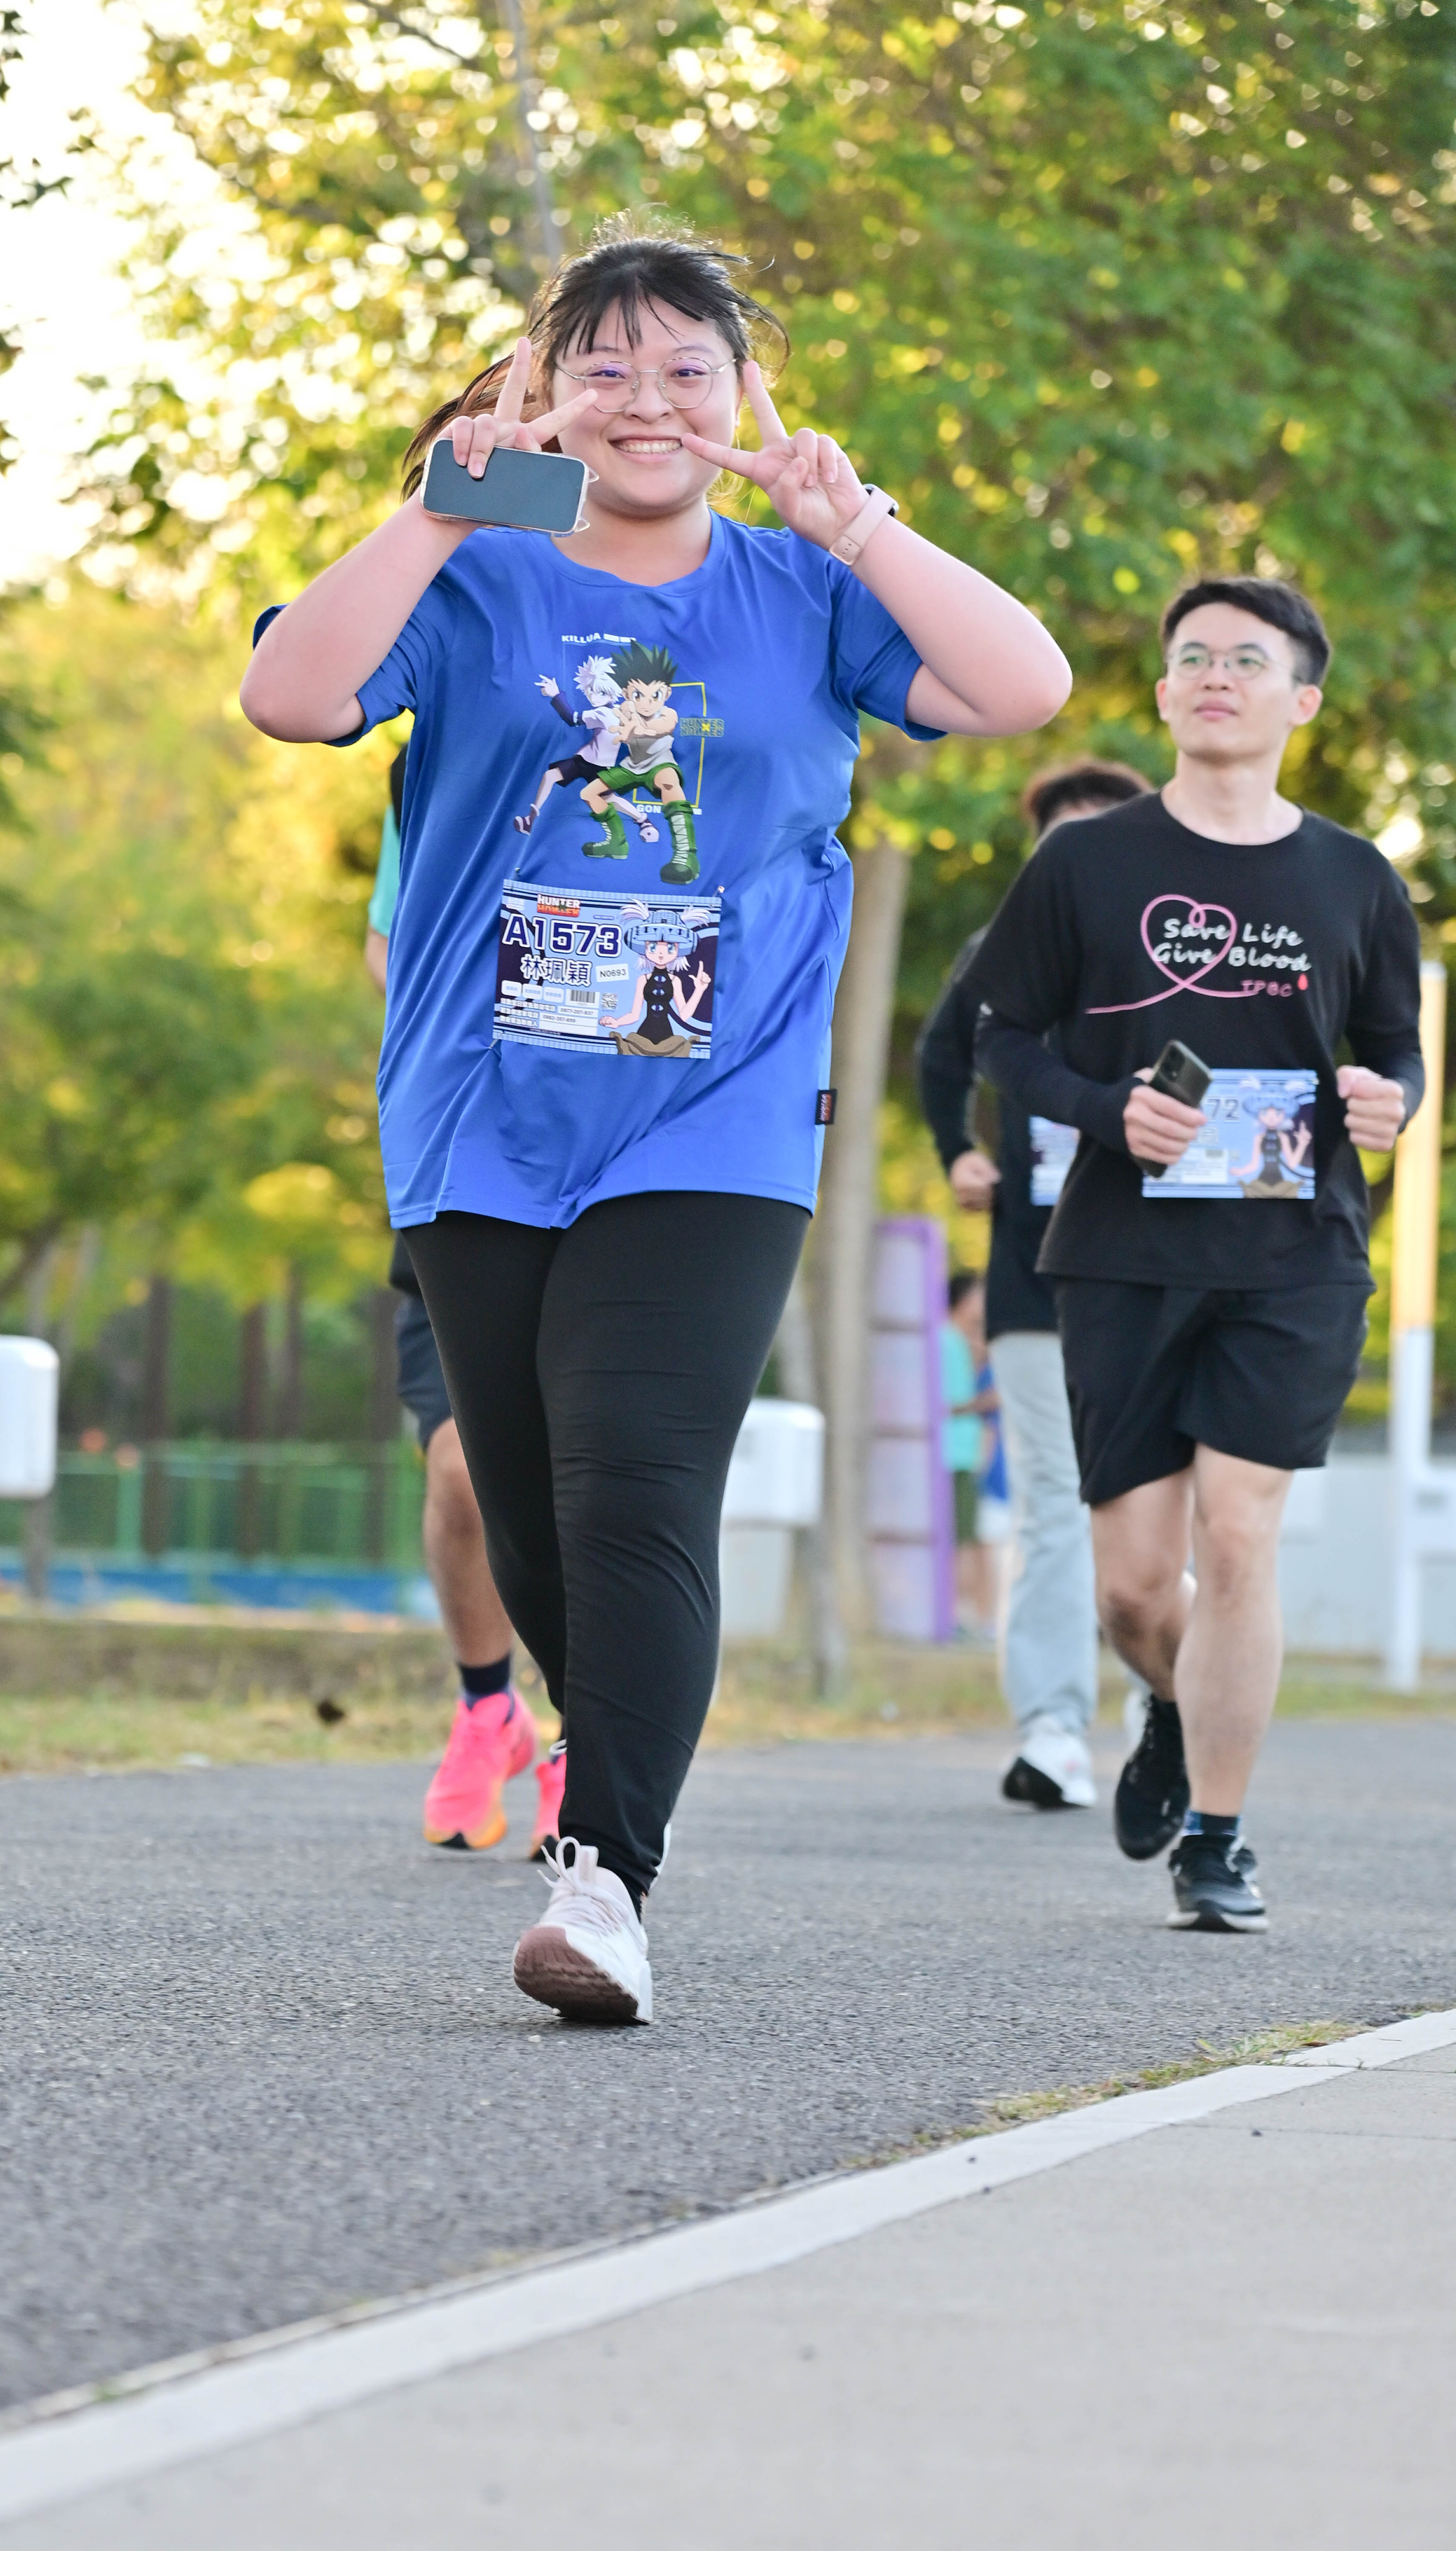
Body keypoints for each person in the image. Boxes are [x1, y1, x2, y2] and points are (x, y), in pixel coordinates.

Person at [242, 214, 1069, 2022]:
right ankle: (606, 1756)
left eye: (687, 368)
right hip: (478, 1113)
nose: (646, 399)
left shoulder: (805, 590)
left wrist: (861, 522)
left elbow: (1025, 689)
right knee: (530, 1510)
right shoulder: (470, 578)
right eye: (603, 366)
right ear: (544, 392)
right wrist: (445, 504)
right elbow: (290, 695)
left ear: (744, 396)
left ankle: (606, 1873)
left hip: (719, 1110)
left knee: (636, 1467)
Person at [970, 577, 1422, 1932]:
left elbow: (1396, 1050)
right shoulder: (1085, 867)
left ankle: (1219, 1837)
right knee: (1130, 1590)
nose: (1218, 675)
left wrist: (1389, 1102)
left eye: (1249, 658)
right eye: (1195, 657)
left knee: (1238, 1536)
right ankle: (1172, 1702)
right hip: (1121, 1252)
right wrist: (1107, 1109)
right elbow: (1002, 1035)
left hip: (1295, 1253)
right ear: (1165, 693)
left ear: (1303, 699)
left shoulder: (1355, 876)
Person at [918, 758, 1152, 1810]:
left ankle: (1165, 1710)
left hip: (1157, 1271)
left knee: (1150, 1503)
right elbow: (941, 1060)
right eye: (1061, 840)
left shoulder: (1184, 954)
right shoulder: (999, 953)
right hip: (1031, 1270)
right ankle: (1054, 1730)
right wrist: (957, 1154)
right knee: (1055, 1500)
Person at [366, 745, 566, 1860]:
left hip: (629, 1161)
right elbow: (389, 945)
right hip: (468, 1159)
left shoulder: (650, 756)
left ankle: (589, 1732)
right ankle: (489, 1707)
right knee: (460, 1469)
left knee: (596, 1478)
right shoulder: (438, 763)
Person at [940, 1270, 997, 1637]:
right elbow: (944, 1404)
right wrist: (988, 1402)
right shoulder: (947, 1341)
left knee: (968, 1540)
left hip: (963, 1455)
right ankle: (958, 1618)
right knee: (961, 1542)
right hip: (955, 1455)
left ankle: (965, 1617)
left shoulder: (958, 1342)